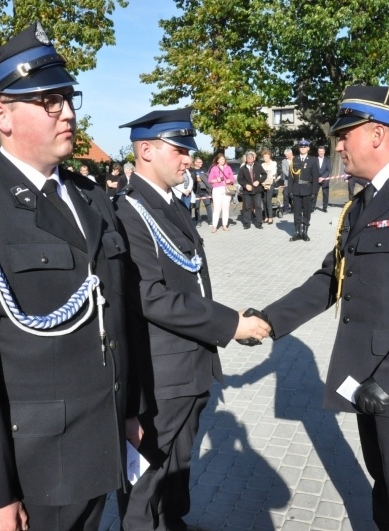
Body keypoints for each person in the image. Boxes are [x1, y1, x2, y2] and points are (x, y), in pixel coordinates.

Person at [0, 22, 139, 531]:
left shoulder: (90, 196)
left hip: (100, 445)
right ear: (1, 114)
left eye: (68, 99)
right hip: (36, 466)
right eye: (50, 102)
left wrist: (128, 411)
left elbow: (117, 316)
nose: (69, 113)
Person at [257, 86, 389, 531]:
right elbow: (330, 279)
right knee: (386, 494)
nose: (338, 145)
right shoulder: (364, 202)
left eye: (345, 134)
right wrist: (267, 321)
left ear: (377, 134)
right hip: (366, 379)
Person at [113, 108, 270, 531]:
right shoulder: (128, 211)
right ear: (145, 150)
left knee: (177, 471)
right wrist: (228, 324)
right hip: (161, 377)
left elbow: (189, 277)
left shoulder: (171, 202)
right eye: (180, 149)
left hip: (191, 370)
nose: (189, 159)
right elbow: (150, 295)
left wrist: (225, 320)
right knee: (145, 482)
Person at [289, 139, 320, 241]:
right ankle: (297, 232)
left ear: (308, 148)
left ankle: (305, 232)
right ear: (299, 148)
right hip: (296, 189)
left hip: (307, 189)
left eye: (305, 147)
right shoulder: (294, 159)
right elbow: (291, 177)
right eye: (301, 147)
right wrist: (290, 191)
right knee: (297, 211)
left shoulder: (312, 160)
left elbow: (315, 177)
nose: (303, 149)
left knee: (307, 211)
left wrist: (314, 192)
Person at [237, 150, 266, 229]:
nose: (249, 160)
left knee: (258, 206)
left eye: (251, 158)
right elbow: (239, 179)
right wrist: (245, 185)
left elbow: (264, 175)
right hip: (247, 191)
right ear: (246, 159)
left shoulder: (258, 166)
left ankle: (259, 223)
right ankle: (247, 224)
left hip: (257, 190)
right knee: (247, 207)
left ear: (254, 158)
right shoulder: (243, 168)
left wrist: (258, 181)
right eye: (248, 158)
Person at [208, 154, 235, 233]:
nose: (223, 161)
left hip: (226, 189)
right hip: (217, 189)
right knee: (217, 208)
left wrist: (229, 180)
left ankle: (225, 225)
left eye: (223, 159)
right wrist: (217, 180)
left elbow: (232, 178)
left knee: (226, 208)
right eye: (221, 159)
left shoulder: (228, 168)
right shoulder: (214, 168)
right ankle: (214, 226)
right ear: (217, 160)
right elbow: (210, 180)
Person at [190, 157, 212, 227]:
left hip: (205, 191)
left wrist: (202, 179)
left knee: (208, 206)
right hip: (196, 191)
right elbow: (191, 180)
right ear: (195, 163)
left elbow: (208, 178)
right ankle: (198, 221)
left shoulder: (204, 169)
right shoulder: (192, 170)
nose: (201, 164)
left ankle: (210, 221)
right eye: (199, 162)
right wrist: (196, 179)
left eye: (201, 162)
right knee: (197, 207)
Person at [260, 149, 278, 224]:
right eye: (264, 157)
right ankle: (266, 216)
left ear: (269, 156)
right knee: (264, 200)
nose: (265, 158)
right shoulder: (262, 165)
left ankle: (271, 217)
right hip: (263, 183)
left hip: (270, 183)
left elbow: (273, 173)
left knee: (268, 200)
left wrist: (268, 176)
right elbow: (261, 174)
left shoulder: (273, 163)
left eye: (267, 156)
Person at [314, 145, 332, 212]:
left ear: (324, 152)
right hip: (316, 179)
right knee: (314, 193)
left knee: (325, 194)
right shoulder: (314, 160)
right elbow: (313, 170)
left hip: (325, 180)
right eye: (319, 151)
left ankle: (324, 208)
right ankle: (312, 207)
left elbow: (328, 170)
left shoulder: (327, 160)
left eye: (322, 151)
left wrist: (323, 177)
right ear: (318, 152)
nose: (321, 153)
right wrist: (317, 177)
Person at [280, 147, 293, 214]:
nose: (286, 156)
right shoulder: (284, 161)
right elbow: (284, 170)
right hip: (287, 181)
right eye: (286, 155)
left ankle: (294, 208)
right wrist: (291, 176)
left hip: (295, 181)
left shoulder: (296, 159)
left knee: (294, 195)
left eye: (287, 155)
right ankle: (286, 209)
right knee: (285, 195)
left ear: (291, 154)